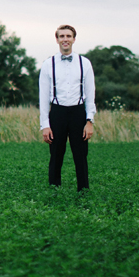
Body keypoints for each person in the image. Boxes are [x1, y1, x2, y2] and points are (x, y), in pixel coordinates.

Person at [39, 24, 96, 191]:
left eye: (68, 36)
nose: (65, 39)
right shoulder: (48, 64)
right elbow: (43, 97)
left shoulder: (84, 63)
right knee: (56, 154)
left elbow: (90, 93)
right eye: (62, 36)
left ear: (74, 39)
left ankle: (83, 191)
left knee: (81, 155)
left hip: (79, 112)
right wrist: (45, 125)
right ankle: (54, 191)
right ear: (57, 39)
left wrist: (89, 120)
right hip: (57, 112)